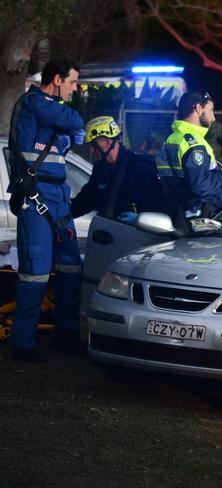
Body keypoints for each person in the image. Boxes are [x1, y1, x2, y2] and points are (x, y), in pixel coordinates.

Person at [7, 58, 86, 362]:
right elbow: (75, 121)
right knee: (36, 272)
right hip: (36, 194)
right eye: (72, 82)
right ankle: (24, 344)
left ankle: (66, 334)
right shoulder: (33, 103)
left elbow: (69, 129)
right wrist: (72, 125)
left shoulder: (51, 113)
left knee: (70, 266)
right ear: (56, 79)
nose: (74, 89)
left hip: (59, 194)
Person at [156, 91, 222, 219]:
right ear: (199, 108)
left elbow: (186, 179)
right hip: (203, 216)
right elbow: (200, 186)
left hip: (183, 211)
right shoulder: (194, 144)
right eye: (211, 110)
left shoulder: (172, 138)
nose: (214, 118)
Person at [70, 116, 167, 221]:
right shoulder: (100, 170)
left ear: (107, 142)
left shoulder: (140, 167)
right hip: (110, 231)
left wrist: (139, 218)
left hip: (136, 234)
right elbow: (86, 200)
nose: (92, 150)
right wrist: (60, 215)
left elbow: (161, 204)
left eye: (94, 145)